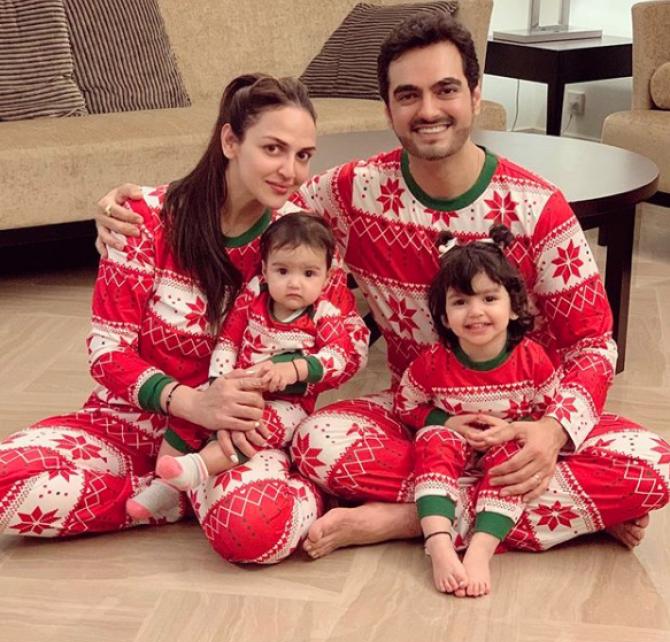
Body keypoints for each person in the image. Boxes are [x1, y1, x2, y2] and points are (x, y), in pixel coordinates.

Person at [94, 14, 669, 561]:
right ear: (389, 109)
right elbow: (257, 201)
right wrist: (144, 205)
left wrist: (552, 432)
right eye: (408, 95)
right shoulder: (352, 191)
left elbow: (594, 345)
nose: (429, 110)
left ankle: (406, 518)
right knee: (316, 440)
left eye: (446, 90)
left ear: (475, 95)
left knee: (656, 463)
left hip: (525, 420)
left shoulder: (539, 207)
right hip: (419, 421)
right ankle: (553, 507)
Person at [0, 73, 368, 565]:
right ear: (230, 141)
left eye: (303, 155)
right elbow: (107, 353)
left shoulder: (301, 241)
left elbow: (349, 346)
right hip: (128, 423)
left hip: (235, 438)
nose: (291, 171)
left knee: (254, 533)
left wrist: (286, 375)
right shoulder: (144, 219)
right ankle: (165, 498)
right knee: (5, 485)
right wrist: (193, 403)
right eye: (273, 149)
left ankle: (207, 489)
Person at [126, 211, 368, 520]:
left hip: (287, 404)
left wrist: (295, 369)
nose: (294, 283)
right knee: (192, 409)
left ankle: (197, 468)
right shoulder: (254, 297)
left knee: (254, 424)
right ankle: (164, 486)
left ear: (326, 275)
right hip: (240, 385)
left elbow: (338, 355)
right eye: (283, 271)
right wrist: (218, 383)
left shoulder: (323, 313)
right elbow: (229, 341)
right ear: (265, 270)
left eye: (309, 274)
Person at [394, 225, 558, 597]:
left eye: (489, 298)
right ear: (444, 316)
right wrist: (446, 421)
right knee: (433, 439)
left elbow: (547, 411)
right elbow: (406, 404)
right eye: (460, 302)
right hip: (451, 449)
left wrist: (513, 429)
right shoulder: (432, 363)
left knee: (515, 457)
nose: (476, 312)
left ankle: (481, 549)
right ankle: (439, 543)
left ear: (514, 307)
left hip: (504, 448)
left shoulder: (532, 360)